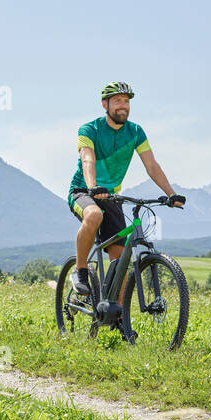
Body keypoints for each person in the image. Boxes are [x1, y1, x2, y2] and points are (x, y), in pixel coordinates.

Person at [69, 82, 185, 299]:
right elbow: (88, 159)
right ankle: (80, 271)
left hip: (111, 196)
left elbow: (152, 166)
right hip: (83, 190)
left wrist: (171, 193)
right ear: (105, 104)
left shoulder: (135, 132)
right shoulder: (89, 129)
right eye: (117, 101)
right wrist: (92, 187)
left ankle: (120, 318)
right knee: (93, 215)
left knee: (120, 259)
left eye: (126, 101)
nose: (123, 106)